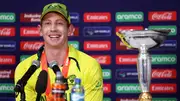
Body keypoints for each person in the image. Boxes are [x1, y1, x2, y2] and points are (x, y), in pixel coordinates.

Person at [14, 2, 103, 101]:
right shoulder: (25, 69)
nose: (53, 29)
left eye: (59, 23)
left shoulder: (90, 66)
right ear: (40, 30)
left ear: (70, 29)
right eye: (48, 23)